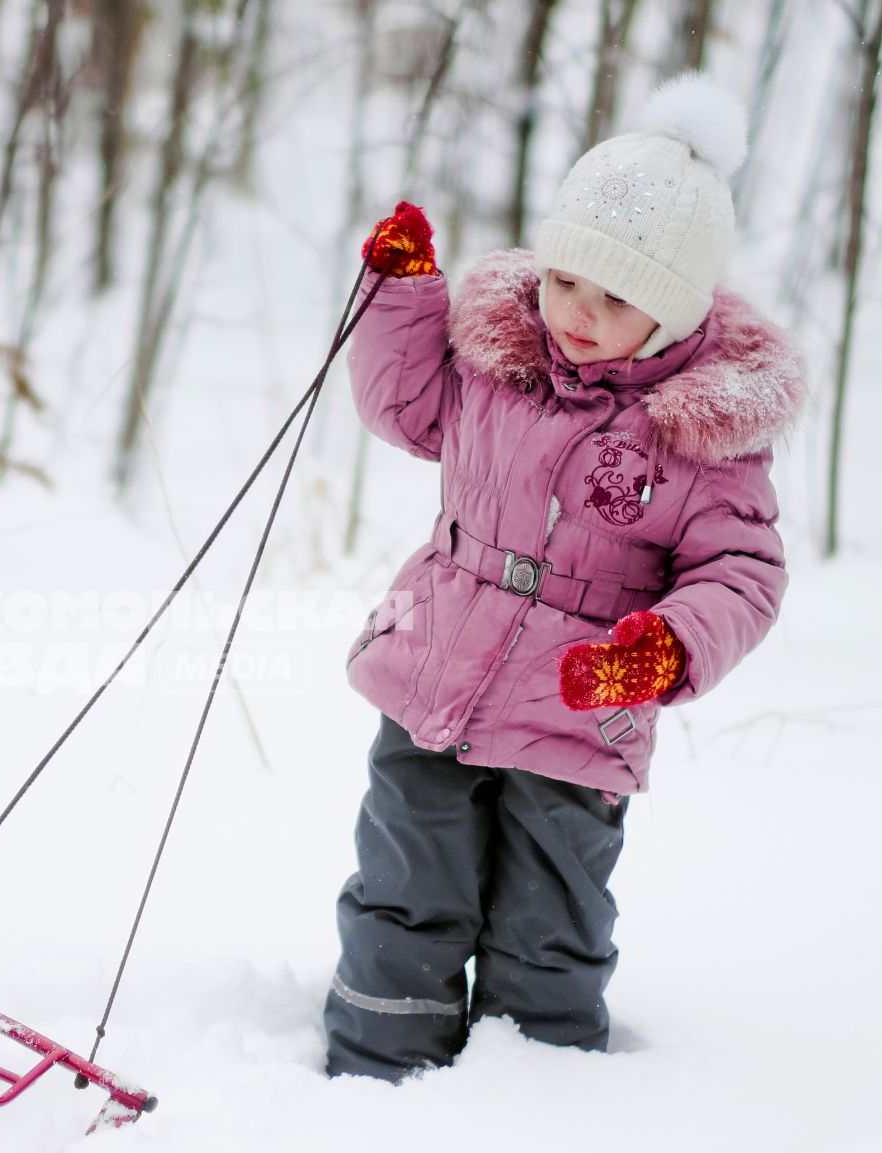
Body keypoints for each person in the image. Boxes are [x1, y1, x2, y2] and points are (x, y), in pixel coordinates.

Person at [323, 73, 806, 1082]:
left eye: (617, 298)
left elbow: (742, 569)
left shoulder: (704, 436)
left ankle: (537, 1092)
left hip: (583, 703)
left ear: (674, 314)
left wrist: (666, 648)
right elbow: (403, 406)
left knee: (552, 910)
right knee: (407, 876)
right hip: (434, 672)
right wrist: (401, 297)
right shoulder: (501, 361)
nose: (577, 313)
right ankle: (378, 1061)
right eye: (566, 280)